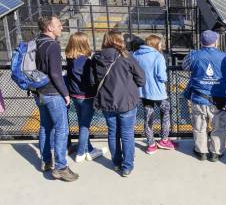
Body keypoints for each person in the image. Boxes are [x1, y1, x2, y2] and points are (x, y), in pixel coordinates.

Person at [91, 30, 145, 177]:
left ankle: (116, 163)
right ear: (119, 40)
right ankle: (127, 166)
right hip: (126, 102)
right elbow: (141, 79)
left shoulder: (97, 58)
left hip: (107, 102)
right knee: (127, 134)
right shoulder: (127, 57)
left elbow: (92, 81)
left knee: (112, 133)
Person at [35, 16, 79, 182]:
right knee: (62, 129)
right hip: (53, 93)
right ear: (49, 27)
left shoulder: (37, 41)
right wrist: (65, 93)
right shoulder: (52, 45)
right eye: (58, 24)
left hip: (40, 92)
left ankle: (46, 161)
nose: (61, 26)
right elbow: (55, 73)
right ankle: (60, 167)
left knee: (45, 127)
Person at [182, 30, 226, 162]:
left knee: (199, 126)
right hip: (219, 100)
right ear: (216, 42)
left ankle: (202, 152)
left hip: (199, 98)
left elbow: (184, 66)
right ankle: (216, 152)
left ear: (201, 42)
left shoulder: (193, 55)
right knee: (219, 127)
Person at [65, 32, 107, 163]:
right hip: (87, 96)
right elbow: (92, 80)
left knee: (81, 122)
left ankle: (89, 148)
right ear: (84, 44)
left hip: (75, 96)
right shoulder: (87, 62)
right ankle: (81, 153)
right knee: (85, 125)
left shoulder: (70, 60)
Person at [133, 34, 175, 154]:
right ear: (156, 44)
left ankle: (151, 144)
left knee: (148, 117)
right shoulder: (158, 56)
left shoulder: (136, 55)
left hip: (143, 92)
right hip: (158, 93)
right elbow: (162, 77)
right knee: (166, 111)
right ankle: (164, 140)